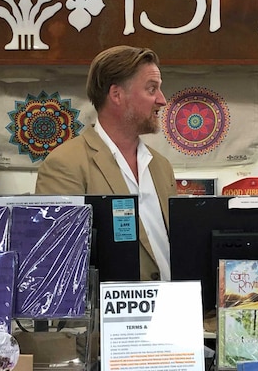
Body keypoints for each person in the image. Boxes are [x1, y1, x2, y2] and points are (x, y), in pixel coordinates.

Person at [35, 46, 176, 282]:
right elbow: (57, 265)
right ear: (116, 95)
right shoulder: (65, 165)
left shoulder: (161, 165)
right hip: (110, 316)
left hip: (175, 308)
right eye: (152, 89)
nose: (162, 100)